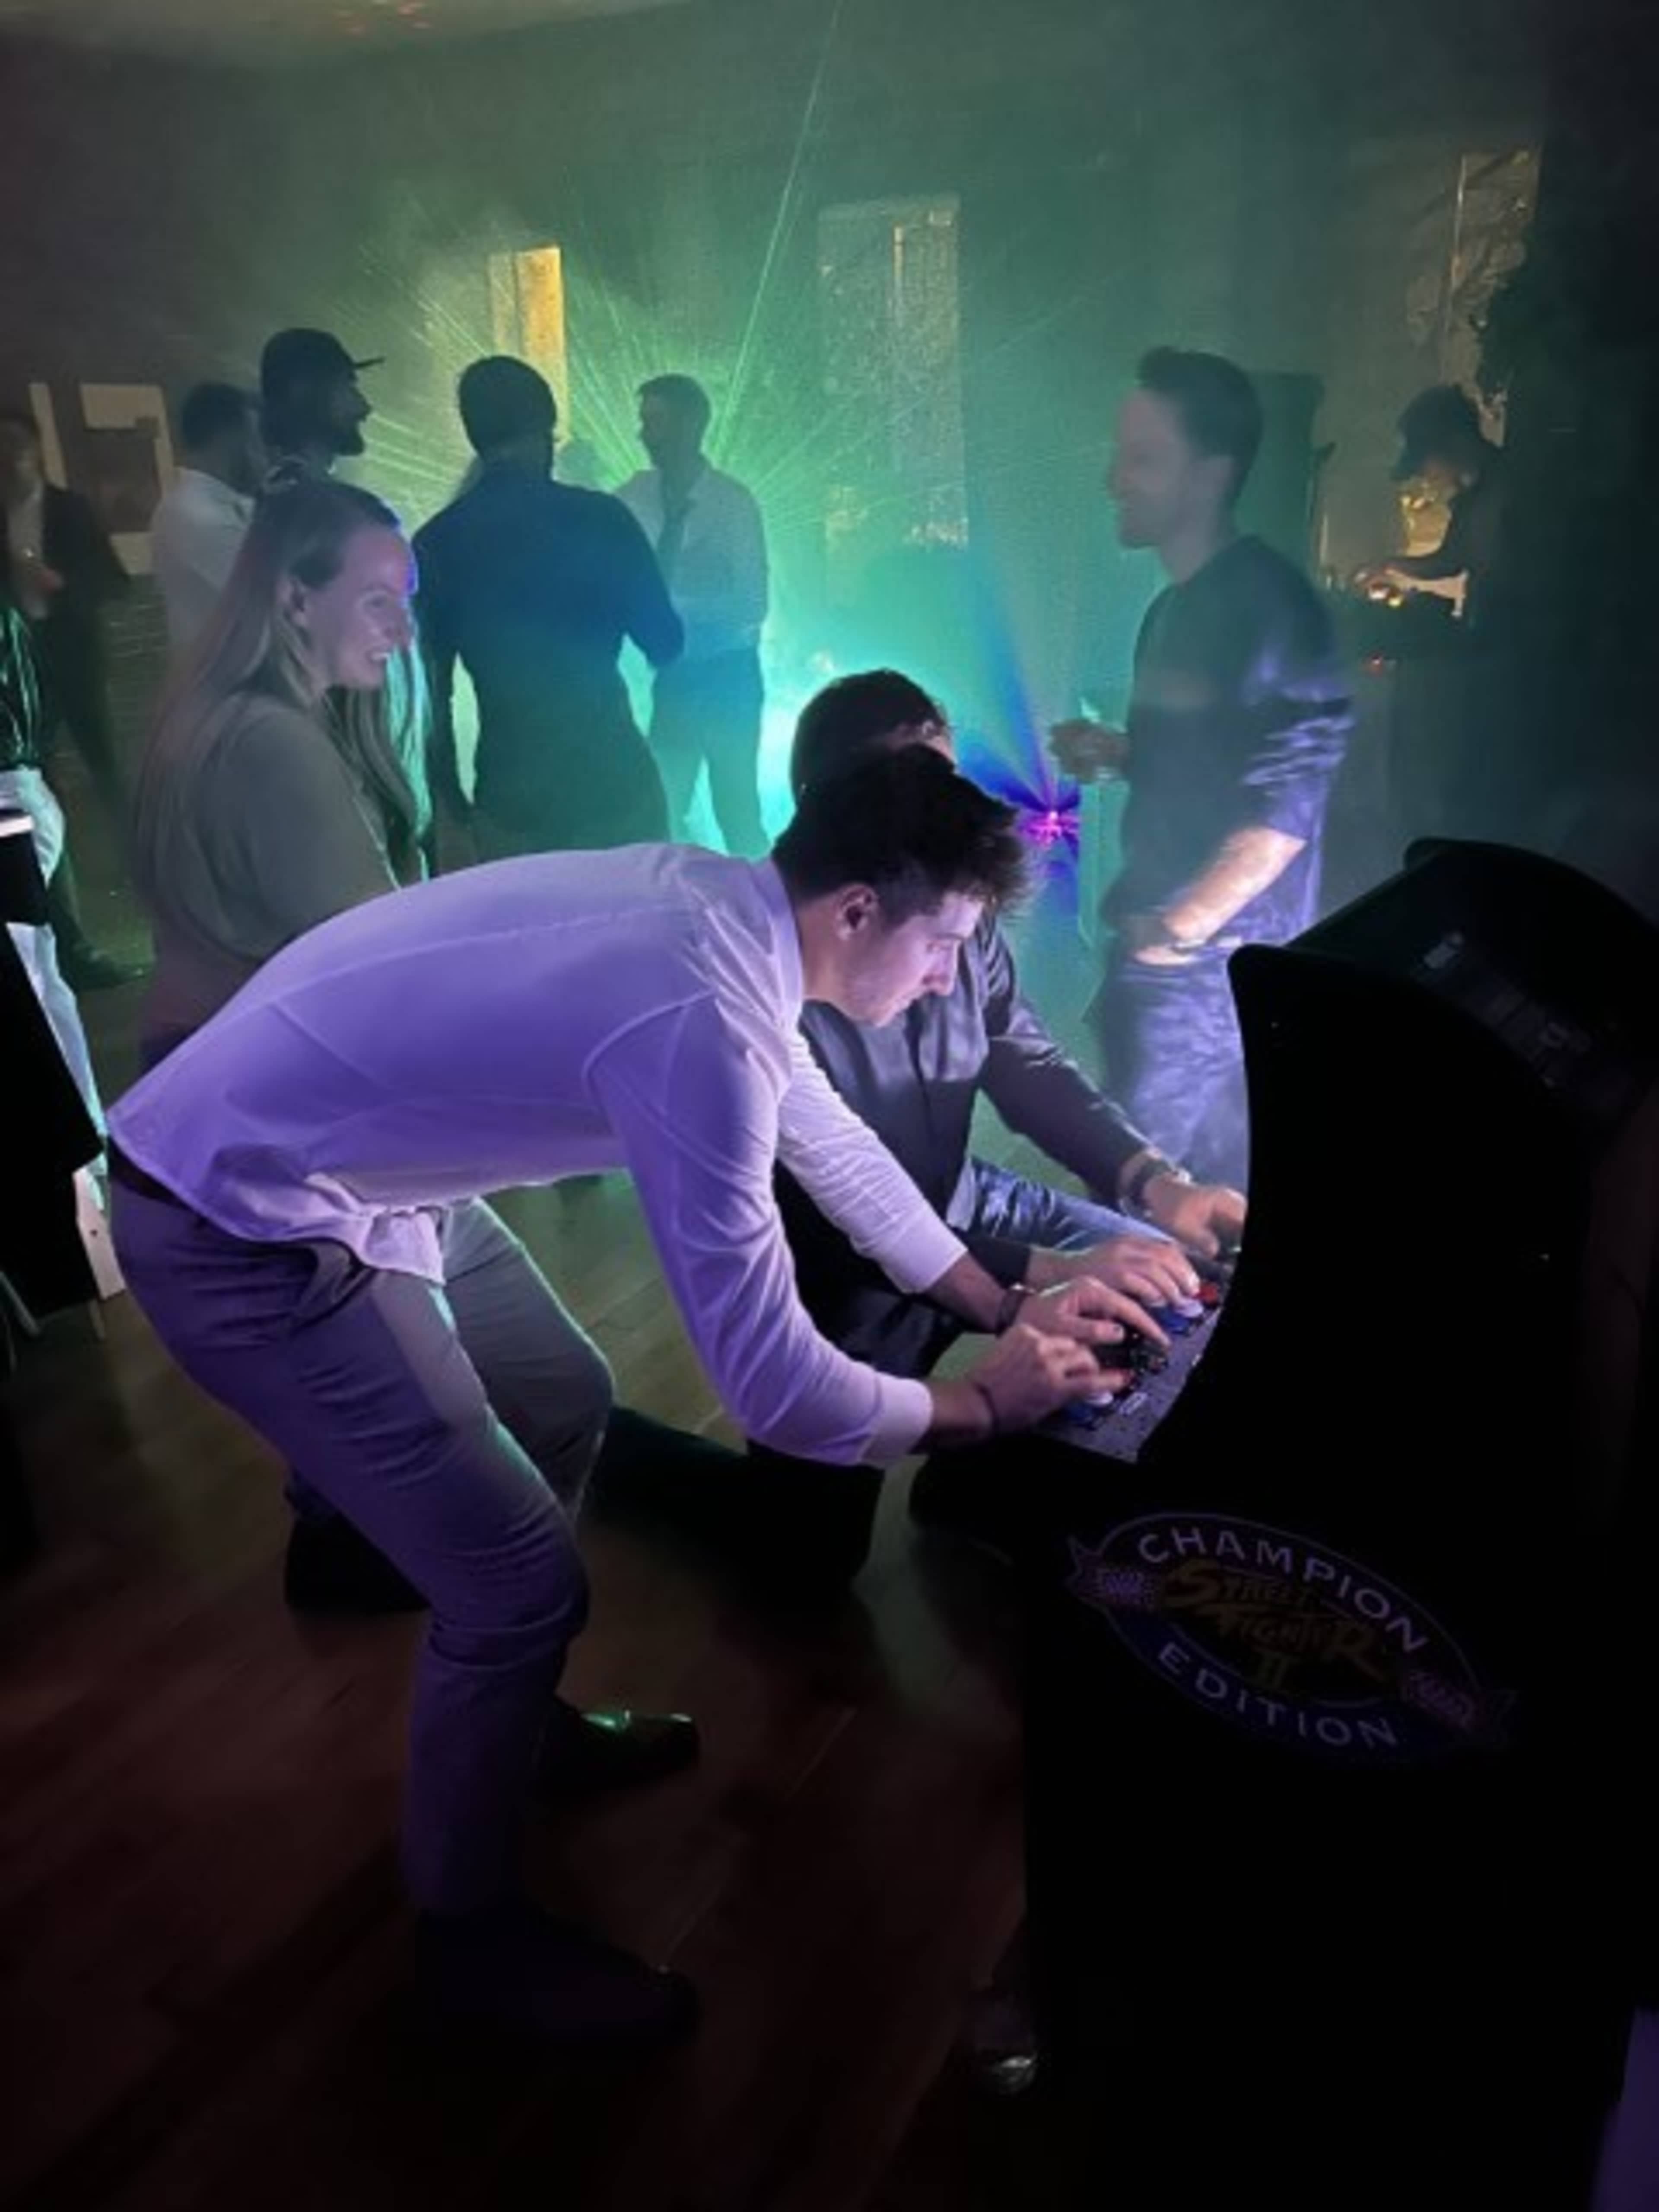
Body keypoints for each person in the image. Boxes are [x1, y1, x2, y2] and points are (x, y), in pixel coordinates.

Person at [105, 746, 1138, 2044]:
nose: (950, 980)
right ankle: (463, 1938)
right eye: (944, 945)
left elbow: (832, 1146)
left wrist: (996, 1303)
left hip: (351, 1177)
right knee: (521, 1583)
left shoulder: (727, 909)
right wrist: (980, 1408)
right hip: (236, 1219)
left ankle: (516, 1725)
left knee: (561, 1391)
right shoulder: (698, 1010)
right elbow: (767, 1382)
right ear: (859, 909)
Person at [1049, 349, 1351, 1189]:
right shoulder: (1170, 608)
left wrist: (1177, 933)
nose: (1115, 477)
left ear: (1212, 475)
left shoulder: (1270, 607)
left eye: (1143, 458)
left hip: (1211, 974)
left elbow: (1287, 808)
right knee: (1163, 1211)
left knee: (1158, 1220)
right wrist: (1121, 753)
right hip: (1170, 963)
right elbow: (1215, 758)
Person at [415, 356, 680, 860]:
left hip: (511, 802)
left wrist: (449, 805)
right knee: (637, 934)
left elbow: (431, 696)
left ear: (475, 437)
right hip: (615, 788)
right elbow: (666, 643)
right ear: (546, 427)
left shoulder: (436, 544)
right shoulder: (603, 519)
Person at [0, 405, 140, 990]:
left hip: (75, 666)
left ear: (36, 449)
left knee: (109, 775)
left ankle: (145, 881)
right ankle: (71, 937)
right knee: (36, 801)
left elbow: (116, 582)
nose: (10, 460)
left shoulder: (68, 509)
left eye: (18, 447)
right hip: (21, 683)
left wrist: (63, 588)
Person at [617, 375, 769, 855]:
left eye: (656, 421)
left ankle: (766, 919)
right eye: (644, 421)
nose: (644, 433)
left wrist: (668, 602)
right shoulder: (634, 496)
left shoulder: (733, 503)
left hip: (728, 676)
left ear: (693, 424)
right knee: (663, 808)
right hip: (675, 676)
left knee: (737, 810)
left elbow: (752, 601)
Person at [0, 569, 101, 1128]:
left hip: (8, 797)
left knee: (30, 983)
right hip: (20, 789)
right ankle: (84, 1143)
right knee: (37, 977)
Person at [1357, 385, 1509, 636]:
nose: (1423, 475)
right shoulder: (1472, 498)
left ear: (1455, 441)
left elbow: (1453, 561)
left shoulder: (1511, 488)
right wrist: (1388, 565)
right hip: (1489, 634)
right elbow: (1450, 560)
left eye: (1423, 460)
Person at [150, 382, 266, 655]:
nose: (265, 454)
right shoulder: (198, 516)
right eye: (256, 439)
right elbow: (273, 602)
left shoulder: (198, 506)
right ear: (229, 437)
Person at [258, 328, 378, 491]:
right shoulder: (310, 499)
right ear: (307, 392)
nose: (365, 408)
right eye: (348, 387)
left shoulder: (275, 489)